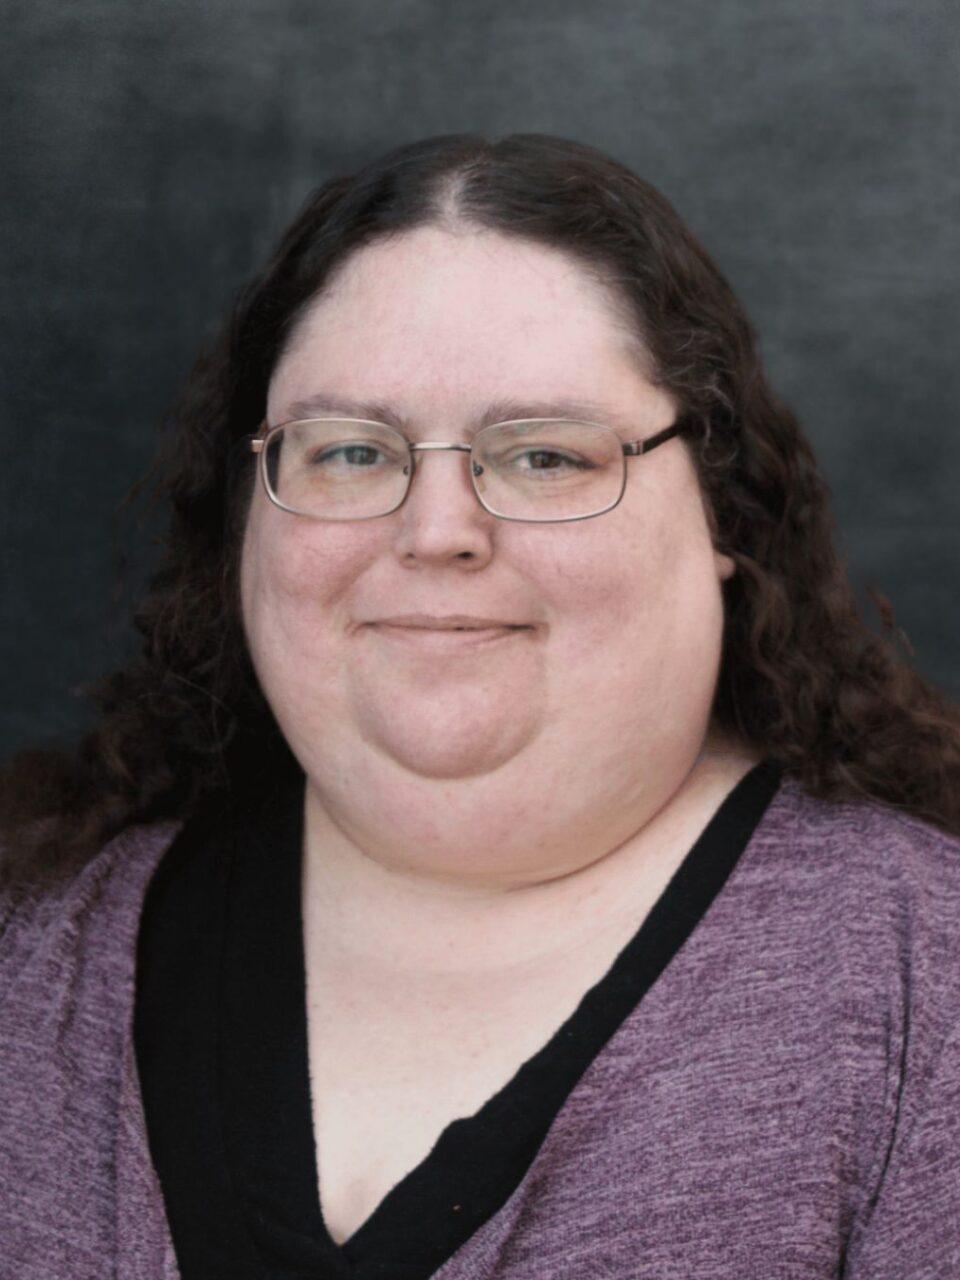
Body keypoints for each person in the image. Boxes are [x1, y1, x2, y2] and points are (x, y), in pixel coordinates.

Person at [1, 133, 959, 1280]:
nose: (438, 528)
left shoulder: (925, 992)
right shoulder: (35, 952)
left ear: (724, 514)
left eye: (544, 456)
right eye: (352, 451)